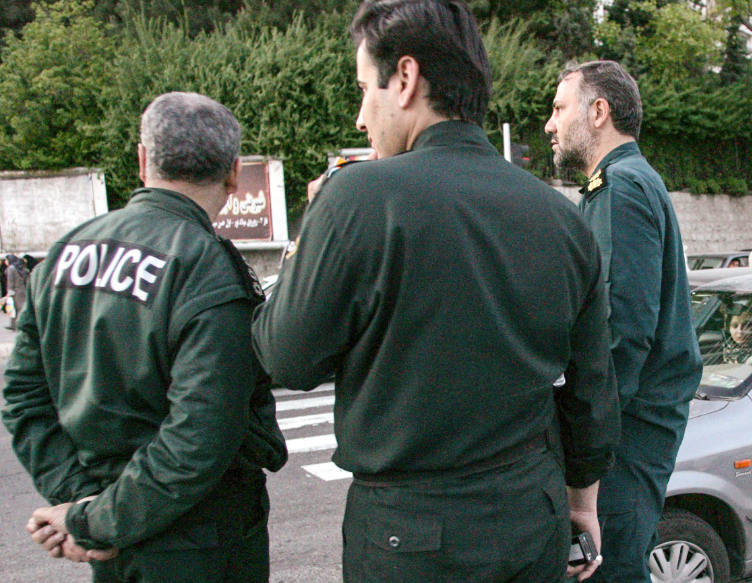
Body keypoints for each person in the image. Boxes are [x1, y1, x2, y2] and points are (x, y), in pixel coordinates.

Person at [252, 2, 619, 582]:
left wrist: (314, 218)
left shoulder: (357, 199)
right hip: (533, 513)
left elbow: (286, 355)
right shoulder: (564, 218)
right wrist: (582, 505)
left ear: (404, 78)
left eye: (362, 90)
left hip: (411, 534)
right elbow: (591, 390)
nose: (358, 118)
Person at [2, 92, 288, 582]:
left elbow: (24, 399)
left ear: (141, 160)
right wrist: (95, 518)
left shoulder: (65, 253)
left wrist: (82, 503)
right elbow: (199, 438)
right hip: (200, 539)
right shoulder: (209, 269)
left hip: (116, 533)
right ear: (234, 173)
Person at [543, 60, 702, 583]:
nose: (550, 123)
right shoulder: (630, 181)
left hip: (624, 437)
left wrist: (587, 447)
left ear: (598, 111)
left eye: (559, 108)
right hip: (635, 431)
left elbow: (619, 335)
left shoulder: (620, 187)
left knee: (607, 570)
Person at [4, 253, 28, 330]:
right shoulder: (20, 268)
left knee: (14, 308)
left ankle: (16, 325)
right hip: (22, 291)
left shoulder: (11, 268)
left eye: (6, 260)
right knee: (19, 308)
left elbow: (10, 282)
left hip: (15, 292)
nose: (5, 262)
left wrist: (9, 293)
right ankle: (15, 324)